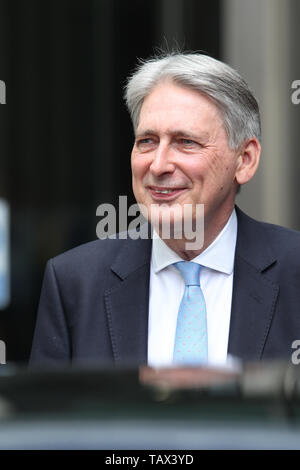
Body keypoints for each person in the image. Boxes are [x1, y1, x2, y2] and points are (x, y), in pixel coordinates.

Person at [30, 52, 300, 367]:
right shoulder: (74, 283)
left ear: (245, 160)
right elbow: (55, 416)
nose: (158, 165)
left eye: (185, 142)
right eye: (147, 141)